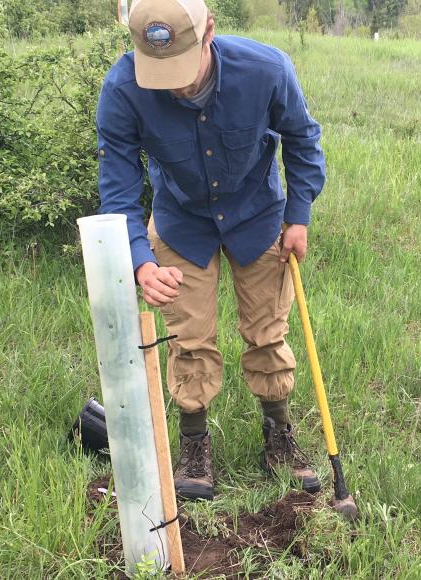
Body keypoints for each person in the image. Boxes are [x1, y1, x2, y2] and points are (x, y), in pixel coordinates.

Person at [95, 0, 326, 501]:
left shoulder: (266, 70)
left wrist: (299, 216)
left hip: (257, 215)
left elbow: (302, 139)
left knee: (267, 330)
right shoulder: (122, 89)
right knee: (189, 337)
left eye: (183, 66)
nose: (175, 87)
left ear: (210, 33)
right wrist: (140, 261)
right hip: (181, 223)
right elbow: (118, 186)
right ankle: (195, 446)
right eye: (160, 72)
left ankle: (279, 436)